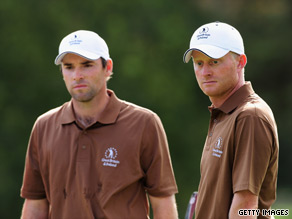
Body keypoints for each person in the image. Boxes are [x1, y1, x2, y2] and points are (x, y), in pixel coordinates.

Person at [20, 30, 178, 219]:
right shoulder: (43, 127)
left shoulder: (144, 123)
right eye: (68, 67)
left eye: (87, 65)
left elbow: (162, 203)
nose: (77, 75)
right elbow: (36, 205)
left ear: (108, 67)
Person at [183, 22, 279, 219]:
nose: (205, 72)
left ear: (241, 62)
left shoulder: (250, 116)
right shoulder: (224, 114)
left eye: (214, 62)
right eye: (199, 63)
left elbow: (245, 207)